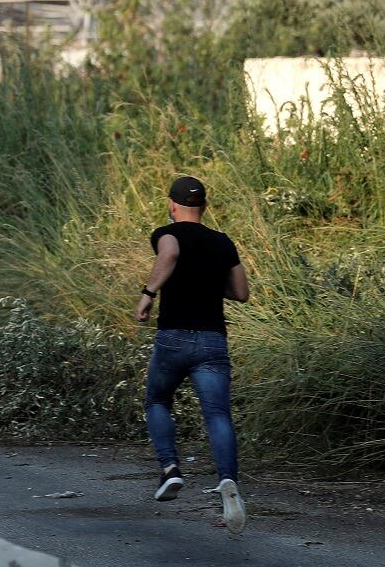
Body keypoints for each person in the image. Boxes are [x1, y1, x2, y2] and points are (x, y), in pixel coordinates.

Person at [136, 175, 250, 537]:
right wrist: (206, 278)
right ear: (205, 207)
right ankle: (228, 482)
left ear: (171, 205)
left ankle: (170, 469)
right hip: (212, 340)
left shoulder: (167, 233)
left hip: (173, 338)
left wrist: (148, 292)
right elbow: (241, 292)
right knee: (217, 413)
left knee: (157, 399)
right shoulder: (222, 242)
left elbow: (169, 253)